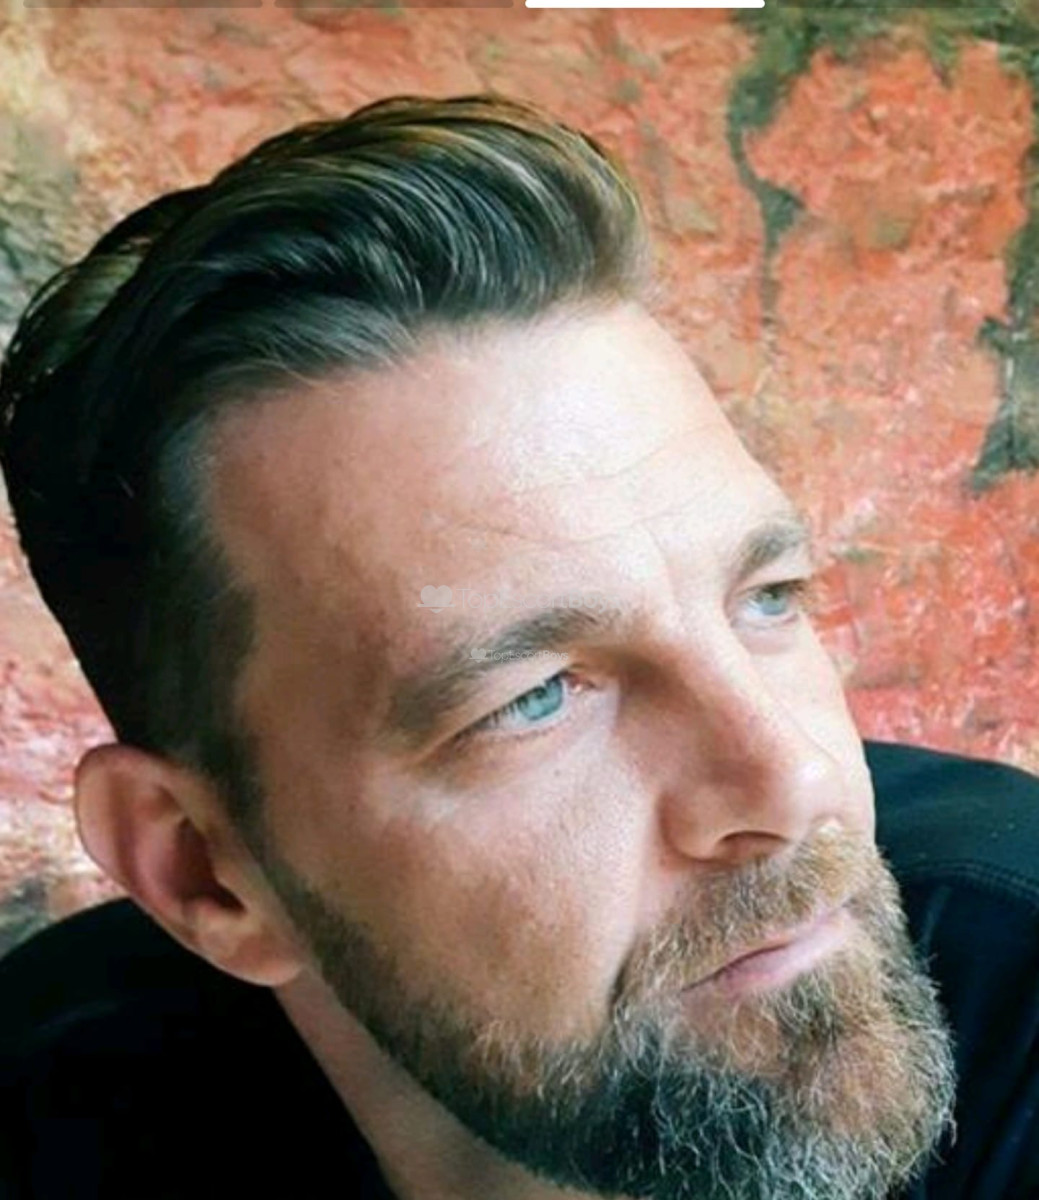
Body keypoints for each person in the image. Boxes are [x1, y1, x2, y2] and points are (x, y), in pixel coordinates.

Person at [0, 92, 1036, 1200]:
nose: (796, 781)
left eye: (766, 598)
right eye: (536, 696)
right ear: (207, 871)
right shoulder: (55, 1112)